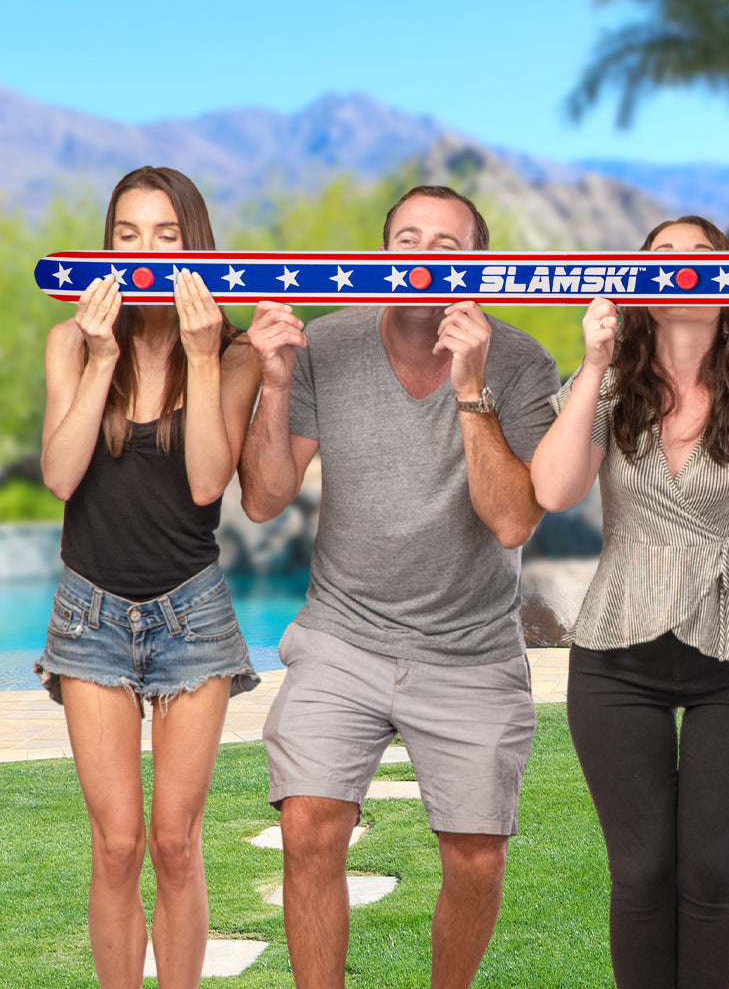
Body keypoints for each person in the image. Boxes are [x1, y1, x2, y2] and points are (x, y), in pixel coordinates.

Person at [238, 184, 560, 989]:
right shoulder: (330, 345)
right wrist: (274, 381)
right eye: (406, 238)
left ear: (478, 266)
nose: (420, 256)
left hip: (471, 650)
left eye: (446, 246)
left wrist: (469, 386)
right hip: (343, 635)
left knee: (477, 858)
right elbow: (265, 497)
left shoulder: (519, 362)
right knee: (310, 824)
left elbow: (514, 521)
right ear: (381, 254)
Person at [530, 216, 729, 989]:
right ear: (637, 284)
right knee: (643, 869)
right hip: (619, 651)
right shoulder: (612, 382)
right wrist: (590, 365)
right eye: (662, 257)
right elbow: (553, 491)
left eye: (701, 256)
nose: (681, 269)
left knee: (712, 874)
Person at [35, 166, 262, 989]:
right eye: (128, 235)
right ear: (107, 246)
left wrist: (202, 360)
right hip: (88, 610)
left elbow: (208, 483)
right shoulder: (71, 341)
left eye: (166, 235)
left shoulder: (232, 355)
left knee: (175, 839)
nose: (146, 251)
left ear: (194, 244)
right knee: (117, 842)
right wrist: (99, 360)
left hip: (191, 614)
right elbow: (61, 477)